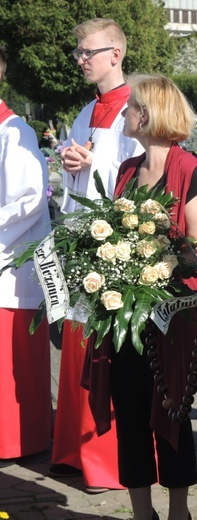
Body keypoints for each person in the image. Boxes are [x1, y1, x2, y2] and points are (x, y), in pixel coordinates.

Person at [84, 74, 197, 520]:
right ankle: (142, 512)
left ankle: (179, 510)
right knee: (132, 417)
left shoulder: (189, 169)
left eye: (132, 106)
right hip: (124, 319)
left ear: (150, 113)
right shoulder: (126, 171)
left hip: (172, 319)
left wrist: (153, 269)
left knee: (172, 414)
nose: (125, 112)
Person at [51, 17, 143, 491]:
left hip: (117, 247)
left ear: (115, 54)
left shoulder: (138, 106)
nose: (81, 60)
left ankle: (107, 459)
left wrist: (94, 165)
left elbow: (141, 174)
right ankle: (73, 448)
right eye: (78, 53)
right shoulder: (85, 112)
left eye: (89, 52)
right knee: (77, 348)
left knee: (107, 353)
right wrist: (71, 166)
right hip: (82, 242)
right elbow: (78, 178)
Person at [0, 46, 52, 461]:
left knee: (13, 368)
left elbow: (30, 199)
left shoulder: (16, 131)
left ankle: (20, 441)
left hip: (9, 268)